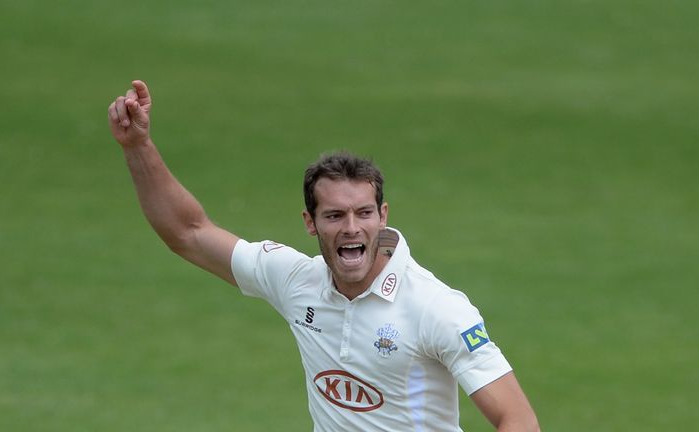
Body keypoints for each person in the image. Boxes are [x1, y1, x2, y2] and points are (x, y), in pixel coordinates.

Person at [107, 80, 540, 432]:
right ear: (310, 223)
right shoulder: (297, 281)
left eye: (363, 213)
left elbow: (517, 419)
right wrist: (137, 147)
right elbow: (188, 233)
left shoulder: (436, 308)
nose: (351, 227)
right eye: (335, 215)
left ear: (382, 216)